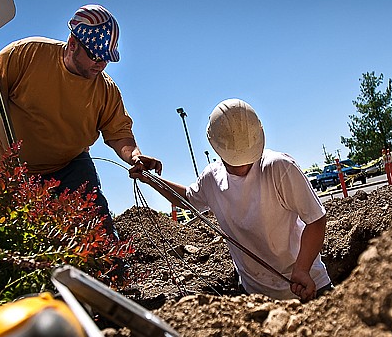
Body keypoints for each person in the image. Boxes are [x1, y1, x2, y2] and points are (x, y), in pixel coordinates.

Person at [0, 4, 162, 237]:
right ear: (73, 43)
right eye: (95, 55)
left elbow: (119, 133)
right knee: (22, 241)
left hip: (71, 167)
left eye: (107, 58)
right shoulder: (26, 55)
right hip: (17, 172)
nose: (101, 64)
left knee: (98, 232)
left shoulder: (106, 91)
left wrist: (134, 156)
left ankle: (113, 272)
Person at [133, 99, 332, 301]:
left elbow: (315, 219)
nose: (241, 164)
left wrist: (302, 268)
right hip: (255, 297)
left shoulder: (279, 167)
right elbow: (187, 200)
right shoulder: (212, 178)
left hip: (306, 286)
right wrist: (149, 179)